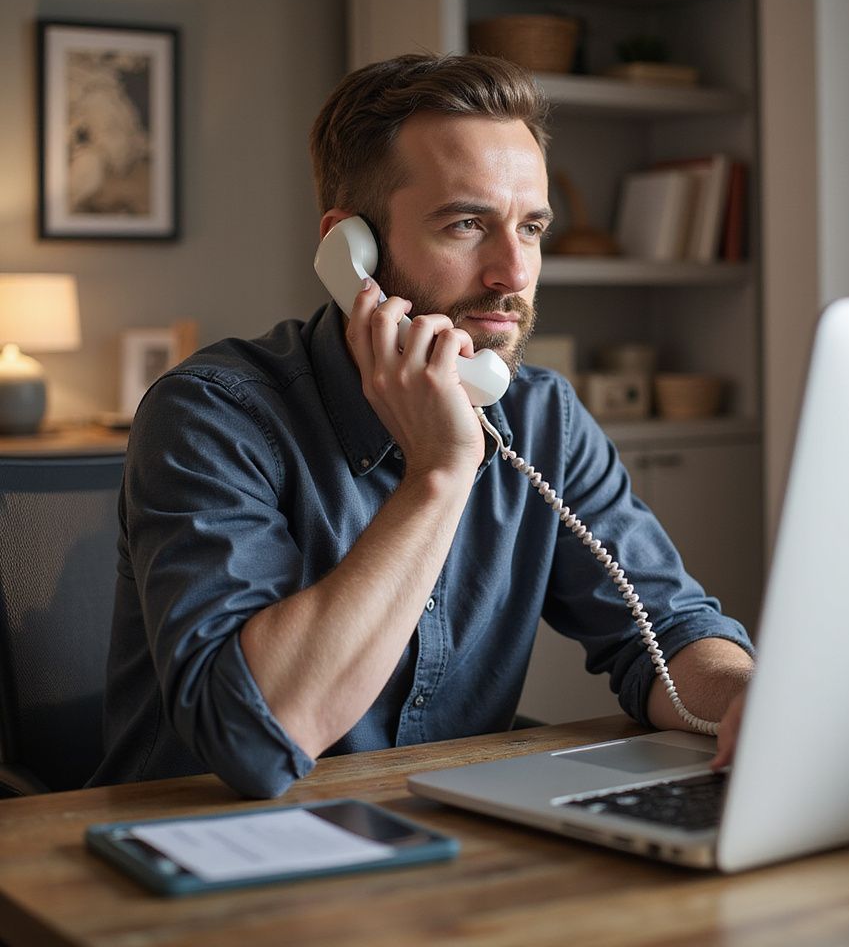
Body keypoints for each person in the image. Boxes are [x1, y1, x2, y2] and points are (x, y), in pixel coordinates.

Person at [91, 53, 754, 799]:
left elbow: (664, 635)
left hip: (448, 849)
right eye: (467, 224)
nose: (514, 272)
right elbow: (257, 736)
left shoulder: (542, 419)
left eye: (530, 228)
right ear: (352, 252)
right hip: (200, 856)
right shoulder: (213, 414)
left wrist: (748, 701)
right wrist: (439, 475)